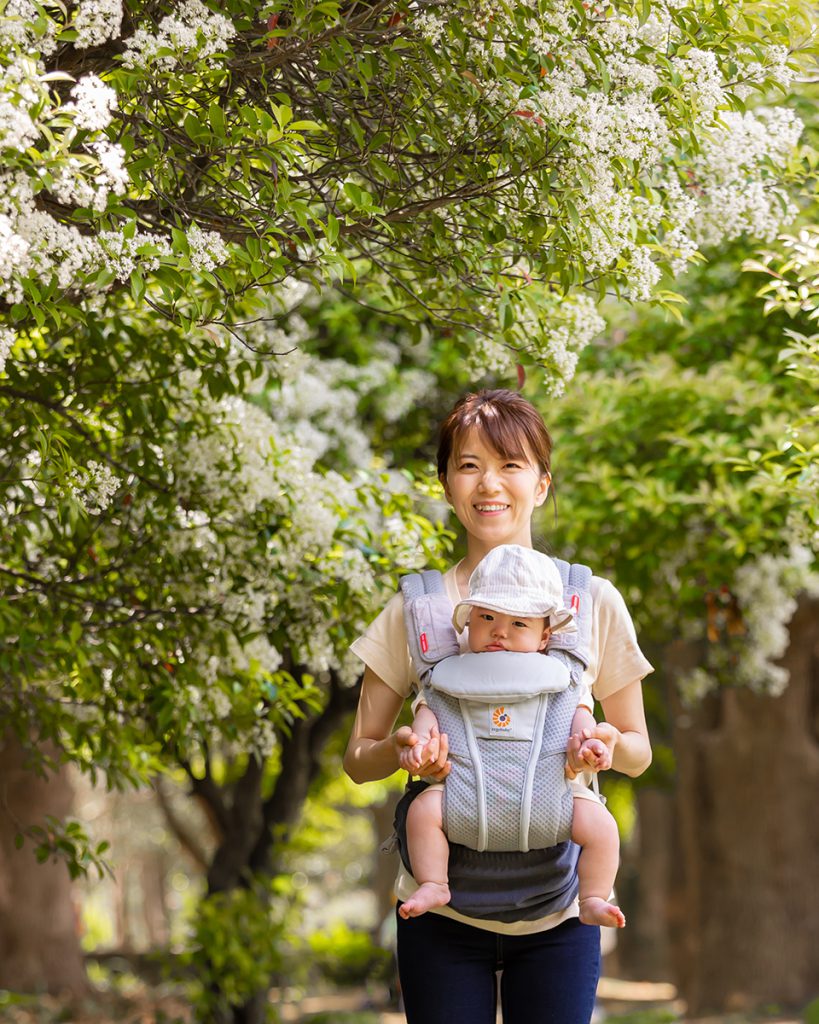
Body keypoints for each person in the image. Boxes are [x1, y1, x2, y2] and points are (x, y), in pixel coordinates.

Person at [344, 388, 653, 1024]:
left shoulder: (591, 601)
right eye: (468, 464)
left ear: (541, 482)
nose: (490, 483)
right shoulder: (417, 613)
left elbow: (638, 750)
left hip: (559, 912)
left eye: (511, 464)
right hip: (443, 915)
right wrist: (401, 747)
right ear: (446, 482)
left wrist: (605, 745)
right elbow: (358, 759)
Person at [397, 544, 625, 930]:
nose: (500, 631)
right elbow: (426, 726)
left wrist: (592, 748)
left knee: (602, 826)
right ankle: (435, 883)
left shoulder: (564, 682)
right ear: (468, 621)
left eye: (519, 623)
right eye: (487, 616)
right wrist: (417, 750)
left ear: (544, 637)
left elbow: (581, 729)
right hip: (461, 799)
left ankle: (592, 897)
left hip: (550, 802)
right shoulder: (446, 678)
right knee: (421, 813)